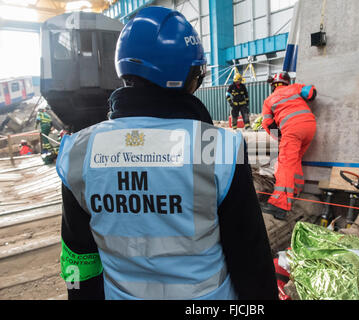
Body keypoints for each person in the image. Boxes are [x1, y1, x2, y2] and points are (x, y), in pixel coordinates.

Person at [55, 6, 277, 300]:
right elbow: (250, 257)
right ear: (190, 76)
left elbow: (77, 258)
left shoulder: (78, 152)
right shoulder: (222, 147)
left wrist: (77, 296)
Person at [259, 72, 317, 220]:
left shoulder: (269, 100)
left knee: (285, 164)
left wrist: (279, 138)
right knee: (295, 160)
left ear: (273, 86)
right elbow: (311, 92)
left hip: (292, 130)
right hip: (309, 127)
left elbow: (267, 123)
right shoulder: (295, 88)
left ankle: (279, 205)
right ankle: (295, 191)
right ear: (286, 82)